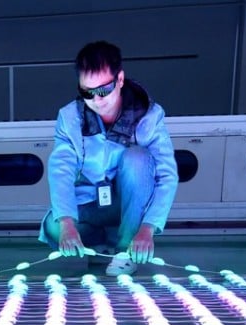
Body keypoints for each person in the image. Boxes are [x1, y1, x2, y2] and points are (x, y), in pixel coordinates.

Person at [39, 41, 178, 275]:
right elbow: (60, 171)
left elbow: (166, 177)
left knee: (138, 159)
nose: (97, 100)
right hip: (90, 204)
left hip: (127, 208)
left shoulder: (149, 116)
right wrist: (67, 224)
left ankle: (124, 249)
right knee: (54, 225)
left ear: (120, 80)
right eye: (87, 92)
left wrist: (147, 228)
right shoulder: (69, 117)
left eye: (104, 89)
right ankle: (99, 249)